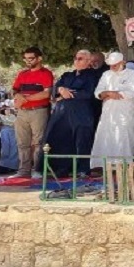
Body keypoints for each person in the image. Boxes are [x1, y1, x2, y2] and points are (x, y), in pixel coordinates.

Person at [43, 49, 99, 177]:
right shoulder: (67, 75)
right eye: (75, 58)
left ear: (88, 61)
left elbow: (89, 93)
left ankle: (82, 169)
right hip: (63, 113)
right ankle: (62, 168)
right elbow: (57, 88)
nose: (76, 61)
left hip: (81, 113)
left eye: (80, 58)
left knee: (82, 140)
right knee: (62, 139)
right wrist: (61, 89)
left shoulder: (93, 76)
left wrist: (69, 93)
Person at [90, 52, 134, 171]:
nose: (112, 67)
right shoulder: (106, 74)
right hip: (107, 112)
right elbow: (98, 92)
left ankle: (124, 165)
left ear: (123, 62)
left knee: (123, 137)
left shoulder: (133, 74)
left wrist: (109, 93)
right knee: (105, 136)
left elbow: (130, 93)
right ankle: (103, 165)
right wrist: (108, 93)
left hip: (124, 112)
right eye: (110, 65)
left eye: (115, 65)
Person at [10, 46, 54, 179]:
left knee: (39, 142)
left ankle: (38, 169)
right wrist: (18, 96)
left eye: (31, 58)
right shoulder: (22, 74)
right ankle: (24, 170)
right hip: (22, 112)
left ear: (39, 58)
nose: (28, 61)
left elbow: (46, 93)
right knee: (22, 142)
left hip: (39, 111)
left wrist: (25, 99)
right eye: (25, 59)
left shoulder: (46, 73)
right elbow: (14, 89)